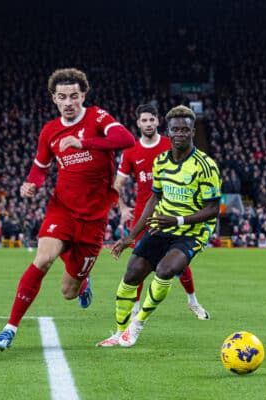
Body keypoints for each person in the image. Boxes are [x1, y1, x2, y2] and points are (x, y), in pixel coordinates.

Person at [0, 67, 135, 351]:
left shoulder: (97, 117)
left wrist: (85, 142)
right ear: (54, 99)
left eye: (73, 96)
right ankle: (10, 328)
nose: (68, 102)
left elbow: (126, 140)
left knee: (68, 292)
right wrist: (31, 184)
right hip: (63, 209)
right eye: (61, 97)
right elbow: (40, 166)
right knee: (43, 259)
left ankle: (83, 281)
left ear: (83, 96)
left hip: (94, 218)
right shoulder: (50, 131)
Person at [99, 105, 221, 348]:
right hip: (161, 225)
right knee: (132, 273)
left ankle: (136, 325)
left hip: (191, 232)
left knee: (166, 270)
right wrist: (130, 237)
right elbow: (153, 200)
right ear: (169, 131)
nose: (179, 134)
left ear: (192, 131)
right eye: (175, 129)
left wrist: (178, 220)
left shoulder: (205, 166)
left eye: (185, 129)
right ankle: (119, 332)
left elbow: (213, 209)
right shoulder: (161, 162)